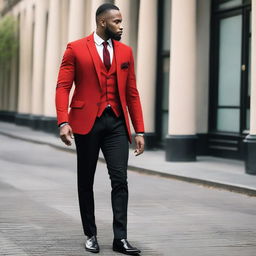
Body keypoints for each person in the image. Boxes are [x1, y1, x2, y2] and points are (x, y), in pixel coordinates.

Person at [55, 3, 145, 255]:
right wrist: (63, 121)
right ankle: (91, 234)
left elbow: (132, 93)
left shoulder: (126, 52)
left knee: (120, 179)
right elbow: (62, 87)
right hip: (86, 122)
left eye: (121, 21)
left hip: (116, 122)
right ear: (102, 22)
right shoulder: (75, 48)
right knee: (86, 180)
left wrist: (139, 130)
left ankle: (121, 238)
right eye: (117, 21)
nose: (121, 25)